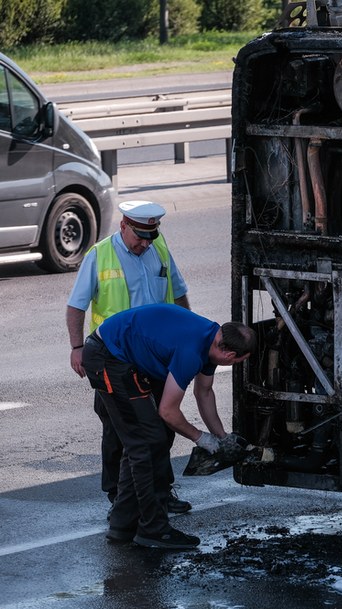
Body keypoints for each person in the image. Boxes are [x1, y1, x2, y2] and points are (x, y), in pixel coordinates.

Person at [81, 304, 256, 549]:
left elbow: (204, 392)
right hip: (108, 358)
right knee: (145, 442)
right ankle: (153, 529)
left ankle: (123, 524)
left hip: (127, 358)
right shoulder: (192, 351)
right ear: (229, 355)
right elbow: (168, 411)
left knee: (156, 436)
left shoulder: (213, 339)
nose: (236, 364)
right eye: (239, 361)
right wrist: (201, 438)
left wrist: (222, 437)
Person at [66, 200, 193, 516]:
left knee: (162, 426)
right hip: (115, 358)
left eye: (150, 236)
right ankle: (118, 498)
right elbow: (76, 306)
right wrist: (77, 348)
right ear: (123, 225)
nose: (145, 243)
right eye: (140, 236)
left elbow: (177, 293)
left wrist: (187, 333)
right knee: (117, 430)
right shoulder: (100, 254)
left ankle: (161, 493)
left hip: (157, 357)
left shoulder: (158, 247)